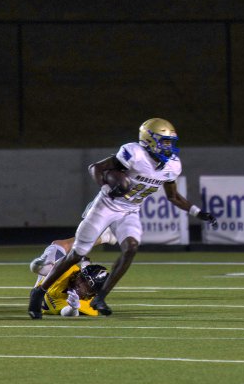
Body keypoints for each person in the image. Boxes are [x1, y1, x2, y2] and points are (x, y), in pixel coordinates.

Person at [28, 118, 217, 317]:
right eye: (164, 142)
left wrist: (198, 212)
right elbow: (96, 167)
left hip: (130, 210)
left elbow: (174, 196)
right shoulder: (134, 153)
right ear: (149, 140)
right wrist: (106, 186)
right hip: (106, 205)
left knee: (131, 247)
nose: (168, 147)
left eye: (170, 142)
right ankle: (39, 292)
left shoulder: (173, 166)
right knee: (77, 253)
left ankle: (100, 298)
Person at [28, 262, 110, 319]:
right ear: (79, 274)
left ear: (93, 293)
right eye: (82, 279)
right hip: (41, 290)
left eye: (87, 287)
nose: (80, 285)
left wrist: (73, 308)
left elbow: (64, 312)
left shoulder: (88, 306)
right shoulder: (66, 271)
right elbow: (38, 267)